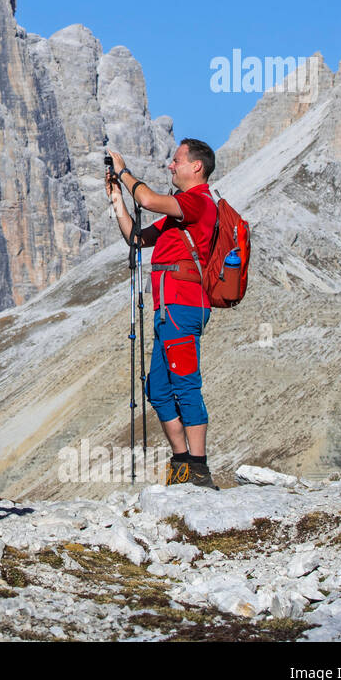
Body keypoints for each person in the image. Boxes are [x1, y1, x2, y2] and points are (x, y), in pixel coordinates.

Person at [106, 138, 218, 489]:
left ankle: (198, 467)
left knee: (185, 383)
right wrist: (116, 200)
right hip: (168, 308)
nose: (171, 166)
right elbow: (136, 239)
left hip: (183, 307)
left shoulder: (197, 203)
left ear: (196, 166)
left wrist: (124, 172)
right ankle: (182, 460)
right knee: (158, 387)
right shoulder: (178, 214)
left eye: (177, 160)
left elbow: (148, 200)